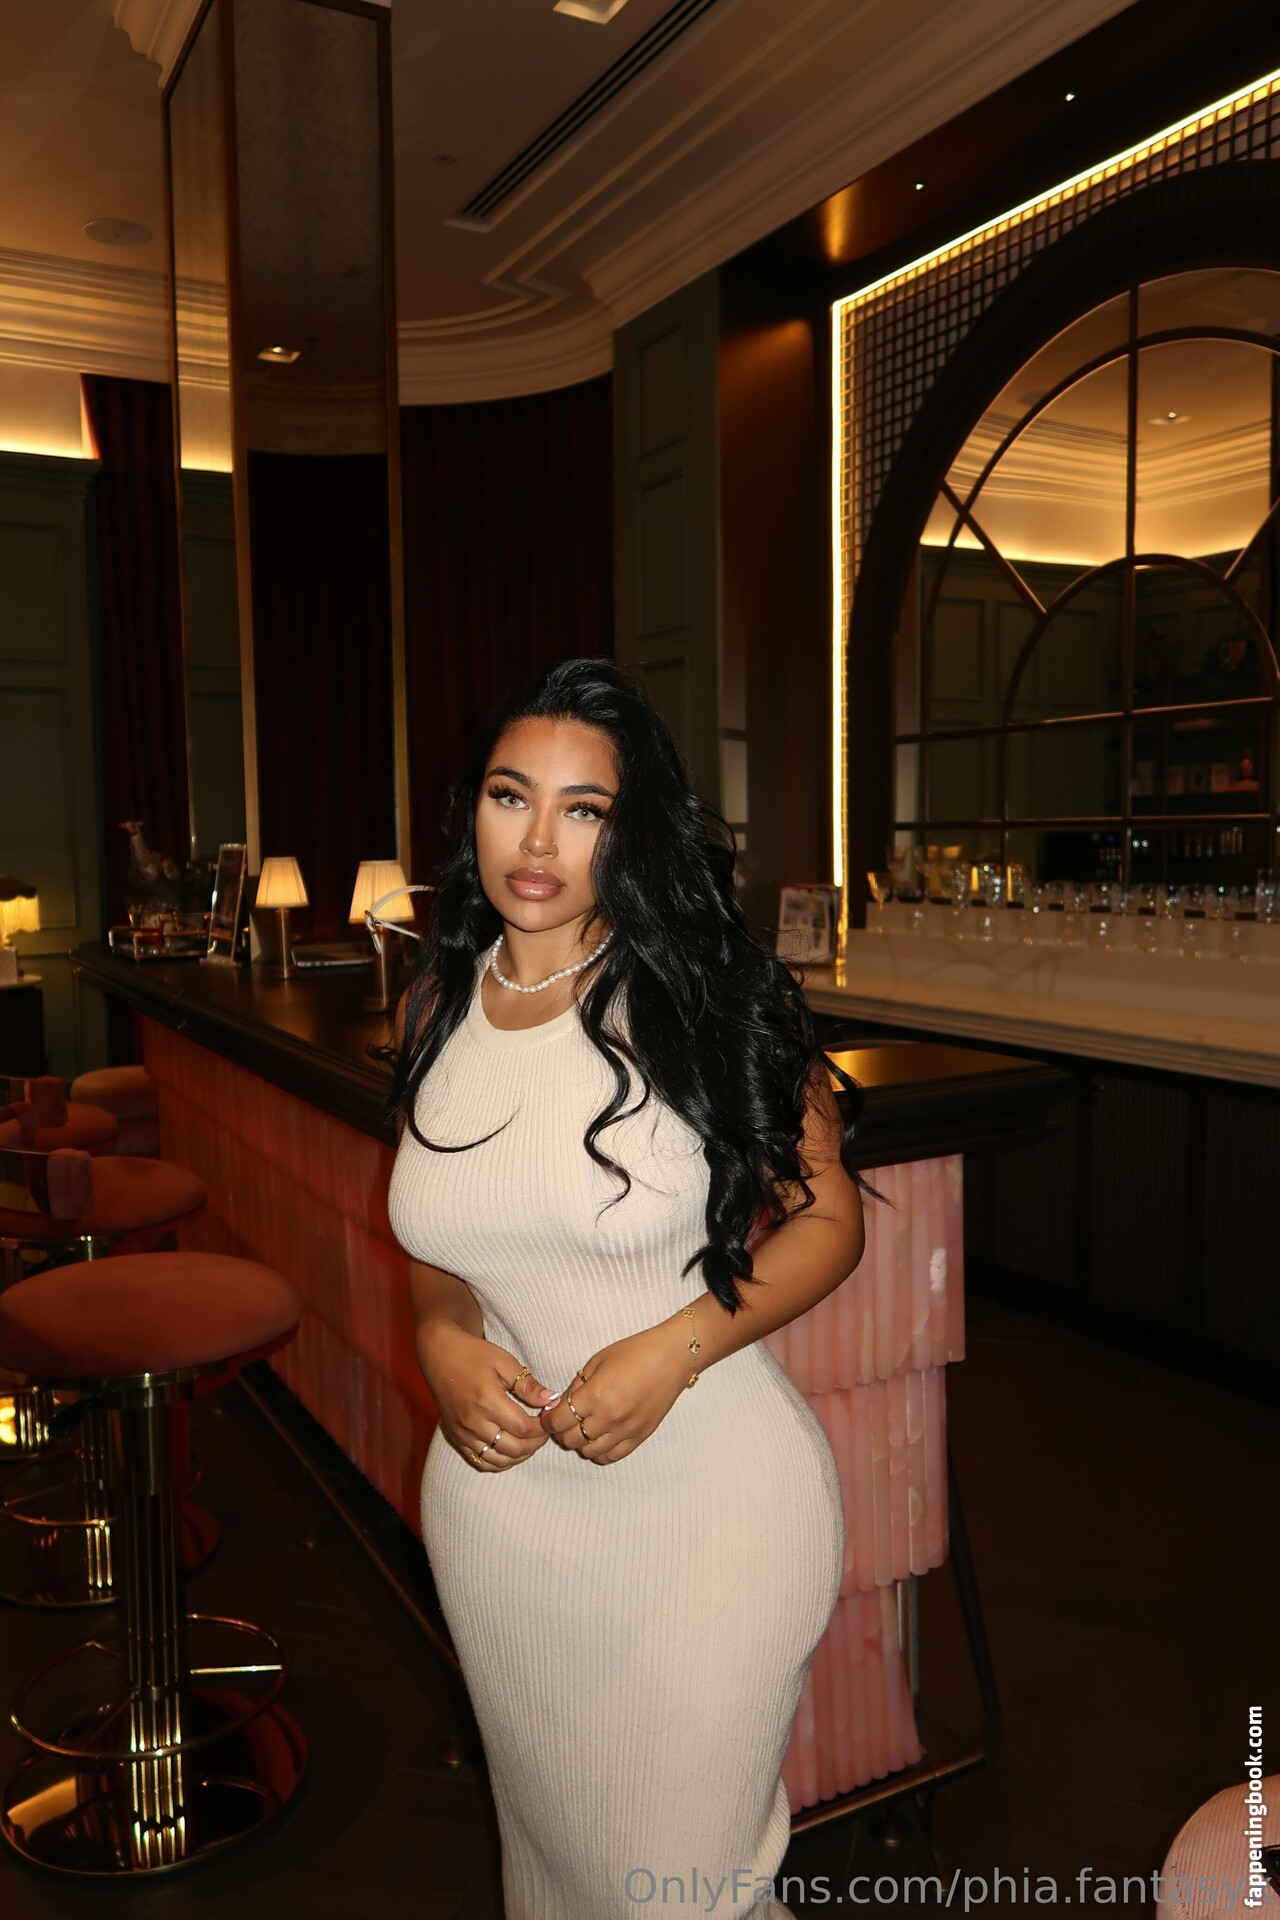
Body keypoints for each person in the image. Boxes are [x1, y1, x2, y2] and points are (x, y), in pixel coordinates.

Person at [386, 658, 868, 1920]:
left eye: (583, 808)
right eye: (510, 796)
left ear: (632, 826)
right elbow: (444, 1240)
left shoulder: (694, 994)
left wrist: (674, 1345)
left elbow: (829, 1222)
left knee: (677, 1897)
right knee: (557, 1879)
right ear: (472, 810)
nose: (538, 841)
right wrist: (439, 1334)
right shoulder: (434, 1001)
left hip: (710, 1512)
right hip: (499, 1522)